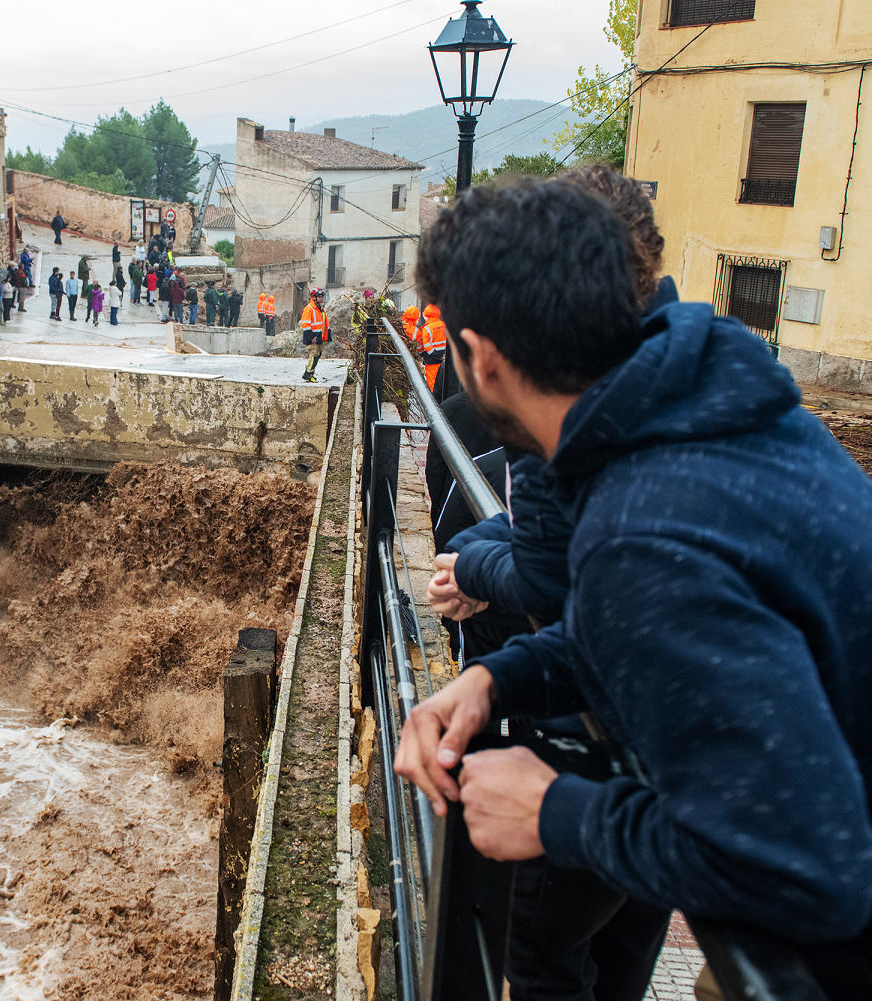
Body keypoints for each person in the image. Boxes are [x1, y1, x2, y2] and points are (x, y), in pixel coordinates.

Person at [394, 179, 872, 1001]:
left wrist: (555, 811)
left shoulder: (641, 529)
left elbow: (810, 873)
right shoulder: (710, 403)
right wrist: (497, 675)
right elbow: (659, 632)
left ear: (482, 358)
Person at [299, 286, 329, 382]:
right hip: (313, 337)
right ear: (314, 297)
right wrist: (312, 337)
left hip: (319, 336)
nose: (321, 298)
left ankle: (309, 373)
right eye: (319, 296)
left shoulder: (321, 309)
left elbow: (325, 323)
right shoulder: (309, 309)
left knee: (317, 355)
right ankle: (308, 375)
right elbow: (305, 325)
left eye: (321, 296)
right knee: (314, 355)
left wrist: (327, 336)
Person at [416, 303, 448, 391]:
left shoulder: (427, 329)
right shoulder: (444, 325)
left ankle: (434, 402)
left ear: (426, 315)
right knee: (443, 380)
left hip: (432, 360)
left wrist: (434, 355)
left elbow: (426, 345)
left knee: (432, 382)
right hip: (444, 357)